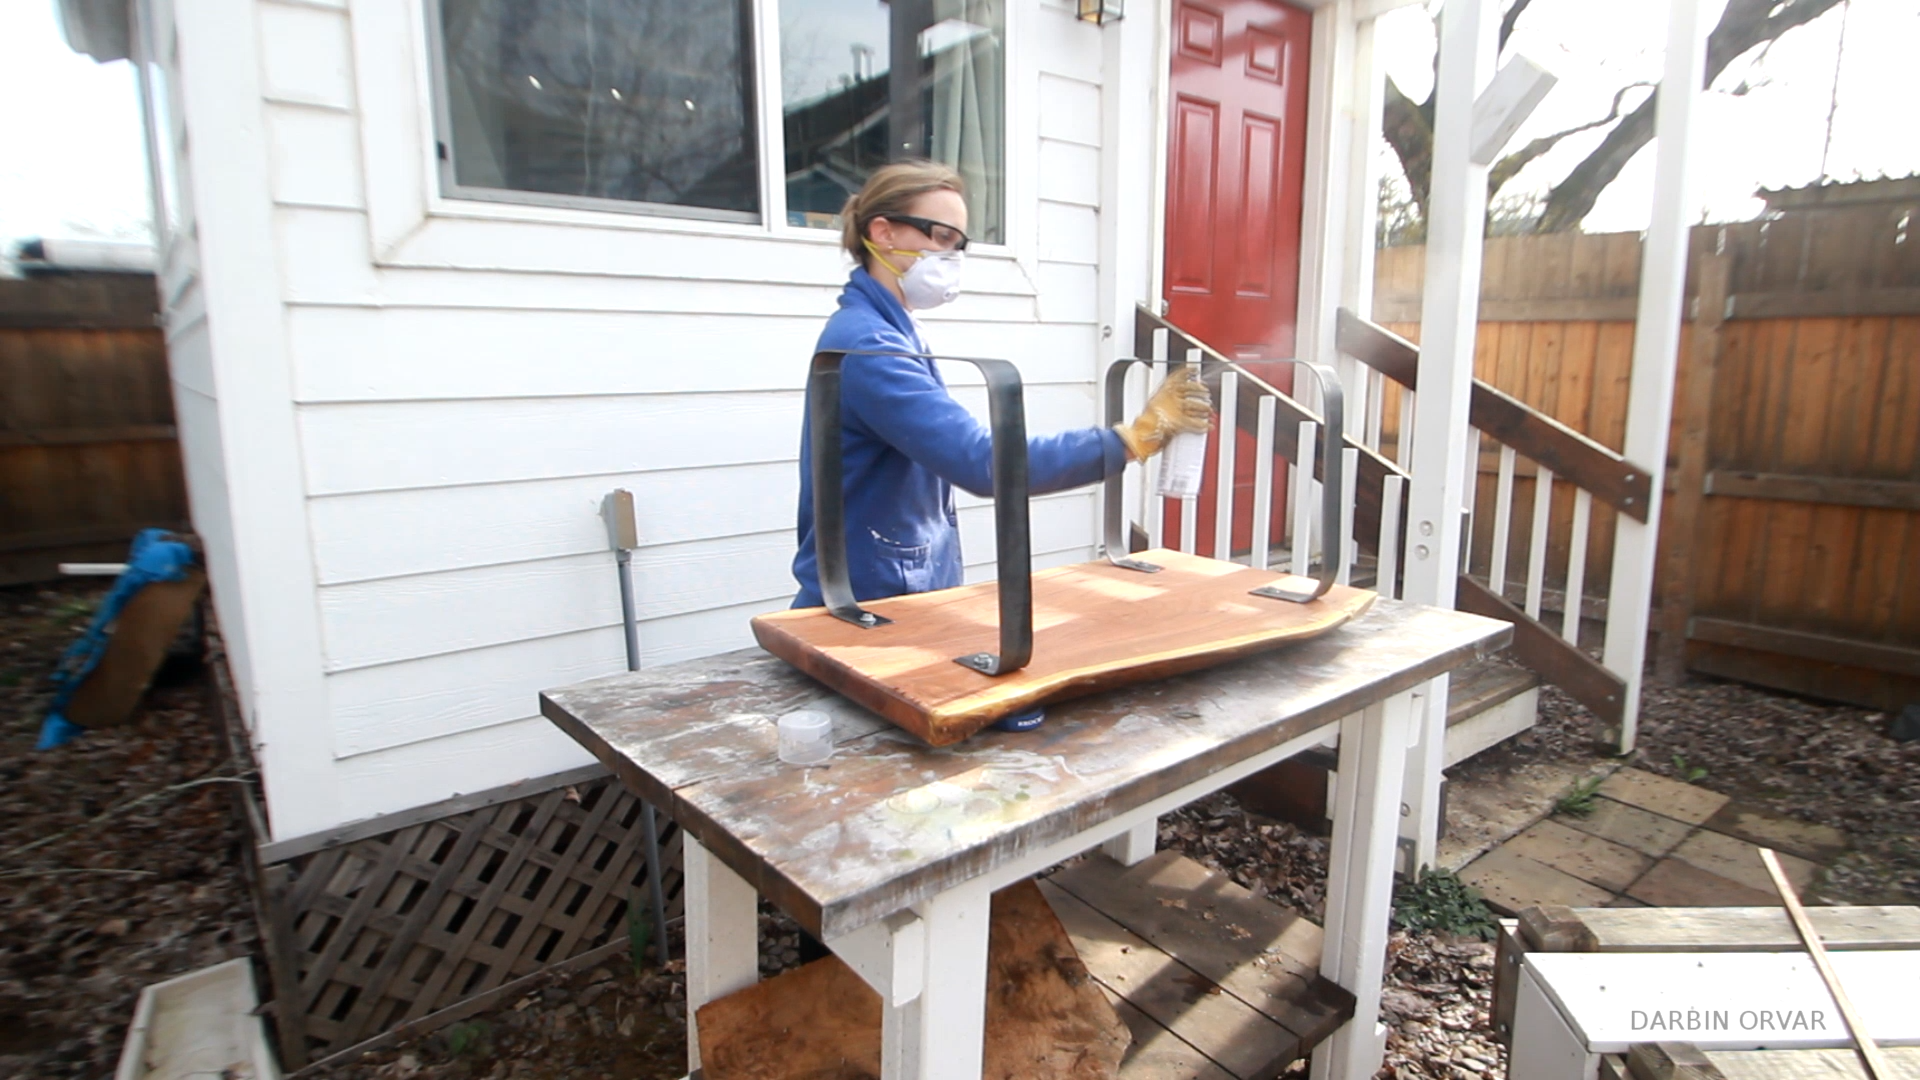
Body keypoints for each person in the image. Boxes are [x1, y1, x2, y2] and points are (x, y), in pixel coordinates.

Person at [791, 160, 1212, 615]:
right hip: (866, 611)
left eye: (960, 243)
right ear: (884, 232)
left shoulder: (890, 331)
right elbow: (985, 463)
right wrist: (1133, 439)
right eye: (942, 237)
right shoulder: (868, 346)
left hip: (893, 594)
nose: (952, 256)